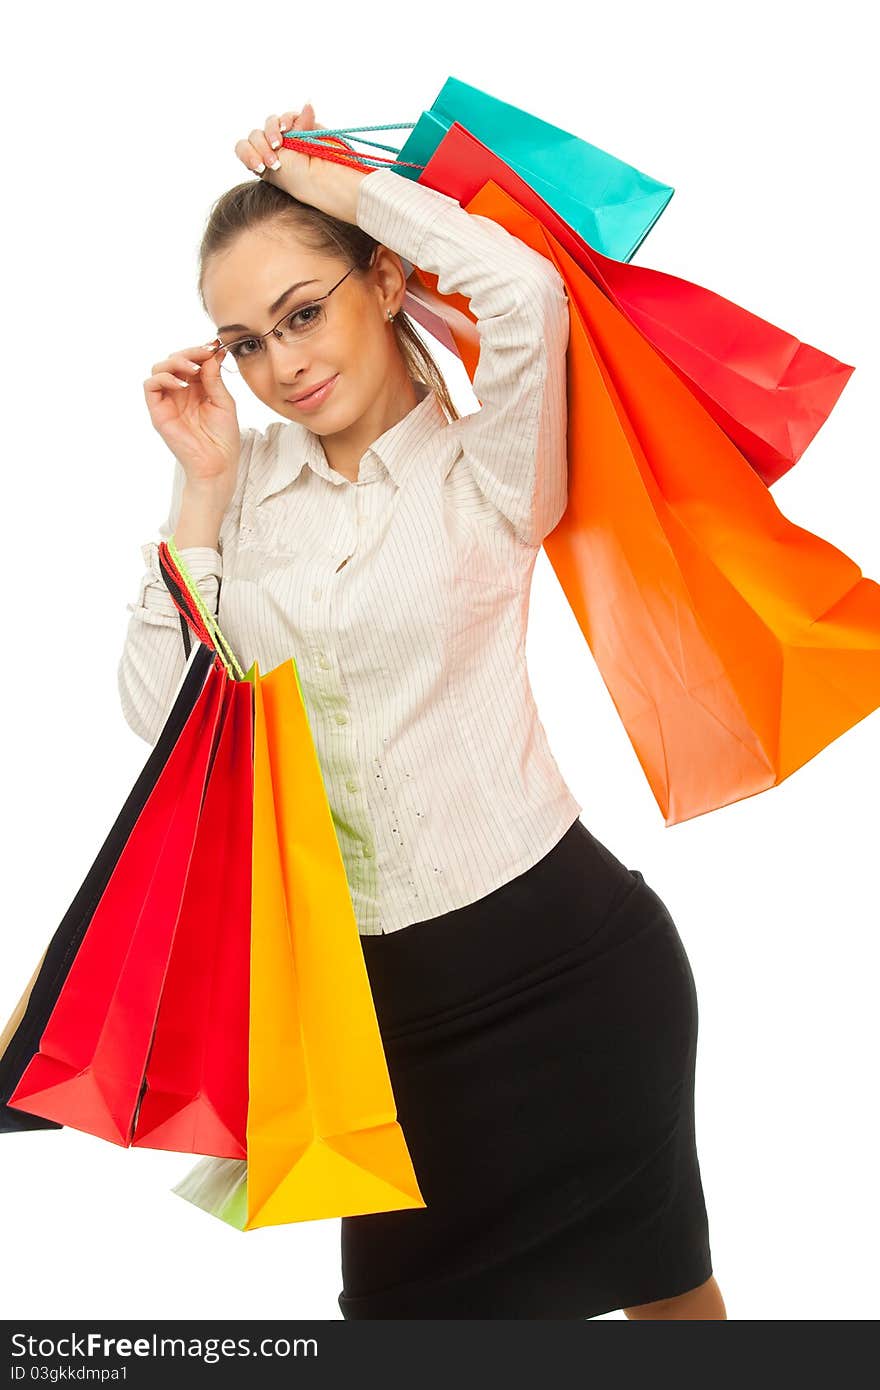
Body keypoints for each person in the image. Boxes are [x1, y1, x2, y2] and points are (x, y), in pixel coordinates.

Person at [118, 103, 727, 1321]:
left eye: (305, 311)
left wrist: (326, 180)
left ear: (385, 278)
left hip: (571, 969)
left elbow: (521, 291)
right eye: (245, 342)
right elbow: (158, 715)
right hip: (382, 1021)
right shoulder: (249, 491)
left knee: (668, 1301)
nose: (281, 365)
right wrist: (199, 490)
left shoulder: (490, 461)